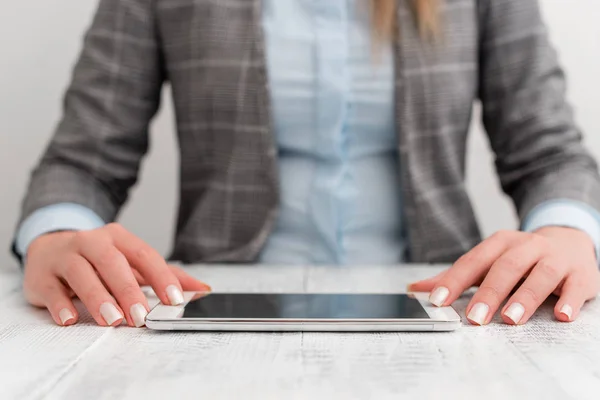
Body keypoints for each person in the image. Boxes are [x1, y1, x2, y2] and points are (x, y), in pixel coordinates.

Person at [13, 0, 600, 329]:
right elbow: (82, 161)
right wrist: (55, 239)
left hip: (446, 312)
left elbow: (549, 154)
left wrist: (568, 232)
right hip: (215, 314)